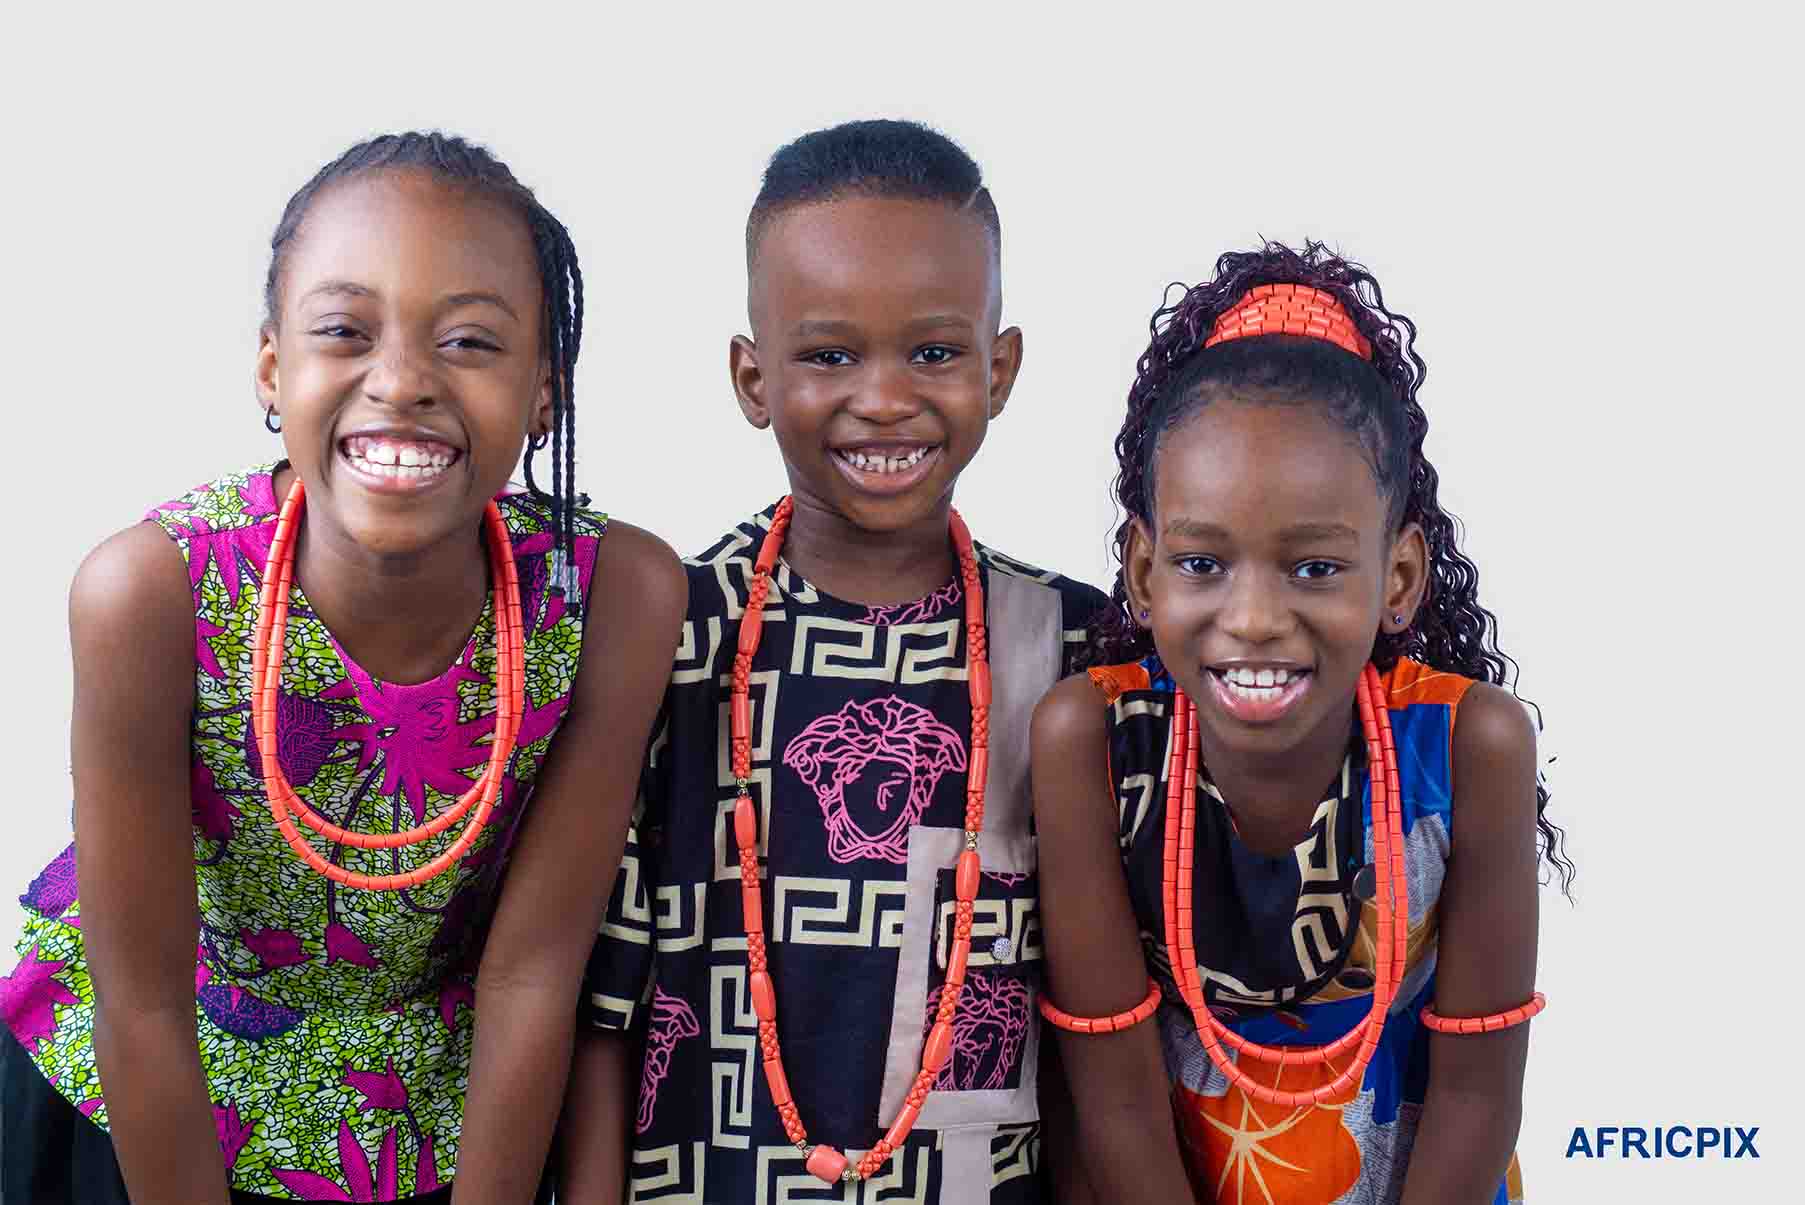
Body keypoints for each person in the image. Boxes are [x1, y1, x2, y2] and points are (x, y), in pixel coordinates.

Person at [0, 131, 685, 1203]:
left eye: (470, 340)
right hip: (149, 1109)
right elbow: (145, 1004)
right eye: (343, 331)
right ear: (274, 367)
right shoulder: (150, 594)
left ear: (545, 390)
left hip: (433, 1119)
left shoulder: (612, 594)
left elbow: (531, 973)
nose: (402, 381)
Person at [558, 119, 1108, 1204]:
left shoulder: (1072, 651)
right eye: (829, 355)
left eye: (934, 352)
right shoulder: (669, 633)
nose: (885, 396)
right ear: (751, 376)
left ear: (999, 369)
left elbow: (1100, 1032)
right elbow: (600, 1008)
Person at [1032, 243, 1572, 1204]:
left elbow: (1478, 1093)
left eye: (1314, 568)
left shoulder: (1468, 745)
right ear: (1144, 573)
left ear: (1397, 578)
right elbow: (1114, 1099)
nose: (1252, 618)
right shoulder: (1093, 740)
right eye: (1202, 564)